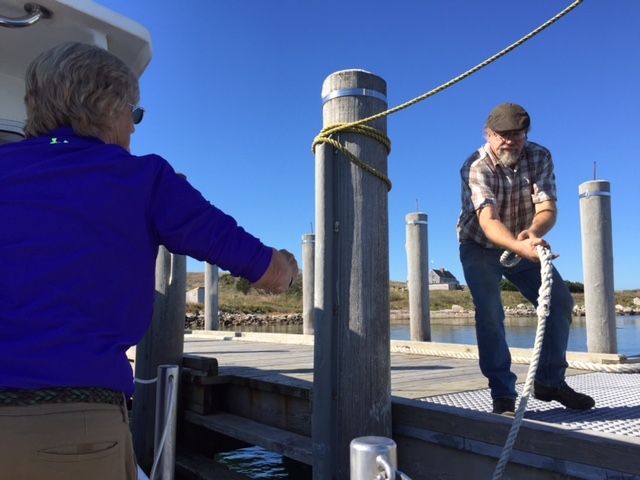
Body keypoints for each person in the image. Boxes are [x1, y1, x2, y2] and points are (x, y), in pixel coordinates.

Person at [0, 41, 298, 479]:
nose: (134, 129)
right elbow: (264, 271)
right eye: (134, 114)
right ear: (105, 106)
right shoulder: (145, 179)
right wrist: (288, 267)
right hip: (68, 430)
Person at [457, 102, 595, 415]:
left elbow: (547, 208)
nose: (510, 141)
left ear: (526, 133)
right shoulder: (476, 165)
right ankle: (503, 394)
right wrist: (520, 247)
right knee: (490, 312)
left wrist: (532, 233)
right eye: (502, 135)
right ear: (488, 134)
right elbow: (488, 220)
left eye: (517, 134)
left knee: (560, 303)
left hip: (524, 242)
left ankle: (549, 382)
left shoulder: (540, 156)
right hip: (479, 245)